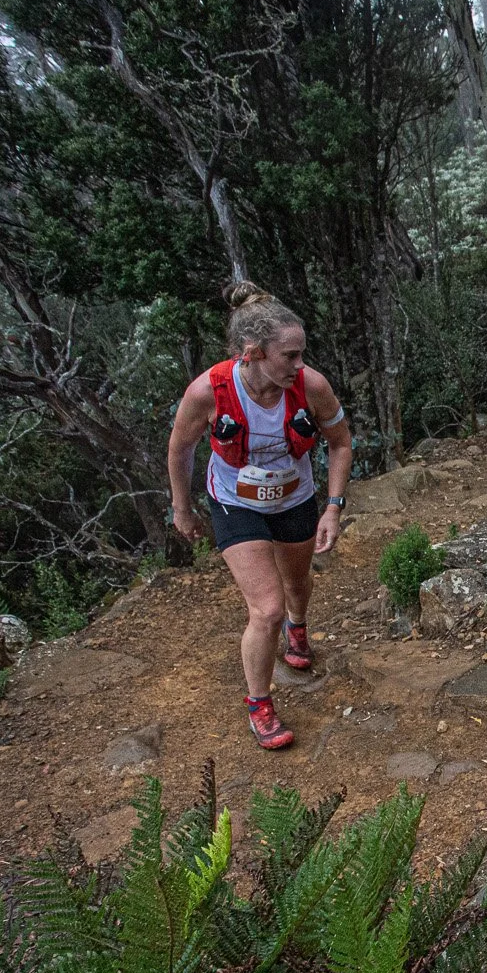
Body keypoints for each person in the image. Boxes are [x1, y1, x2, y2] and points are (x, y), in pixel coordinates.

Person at [167, 282, 353, 749]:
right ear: (253, 352)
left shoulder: (311, 386)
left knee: (297, 585)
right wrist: (182, 507)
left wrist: (333, 508)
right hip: (236, 502)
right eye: (290, 355)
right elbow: (181, 448)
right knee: (266, 609)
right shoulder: (208, 392)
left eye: (301, 354)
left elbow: (340, 443)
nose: (300, 364)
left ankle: (298, 628)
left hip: (294, 499)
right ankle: (260, 704)